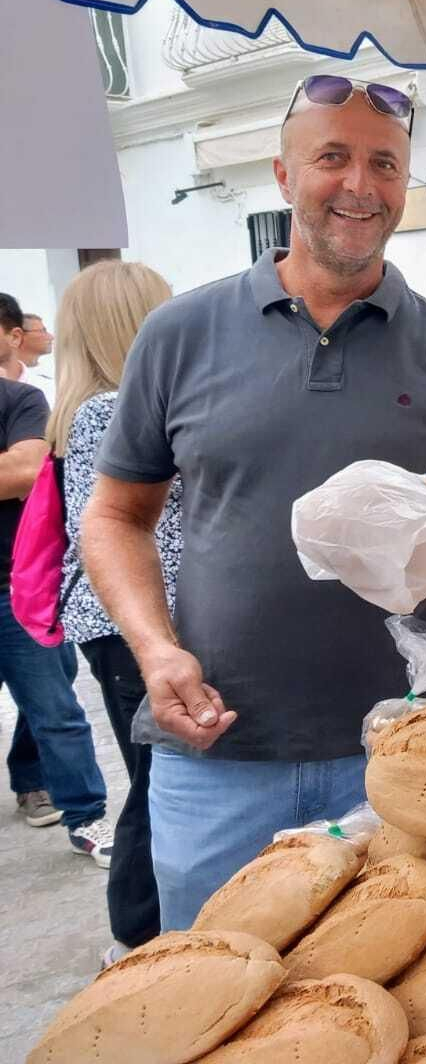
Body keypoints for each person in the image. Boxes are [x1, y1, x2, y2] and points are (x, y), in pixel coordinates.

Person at [81, 74, 426, 931]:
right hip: (215, 750)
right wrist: (152, 648)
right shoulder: (180, 333)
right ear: (284, 177)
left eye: (384, 165)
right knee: (203, 1002)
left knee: (378, 1008)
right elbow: (114, 516)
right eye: (332, 157)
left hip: (399, 759)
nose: (359, 185)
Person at [48, 261, 177, 962]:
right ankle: (138, 936)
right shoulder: (115, 411)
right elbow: (140, 530)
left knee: (157, 774)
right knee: (163, 780)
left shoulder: (86, 410)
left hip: (117, 623)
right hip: (138, 622)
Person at [0, 292, 113, 865]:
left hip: (11, 590)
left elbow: (22, 468)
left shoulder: (19, 398)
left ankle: (86, 817)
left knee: (55, 711)